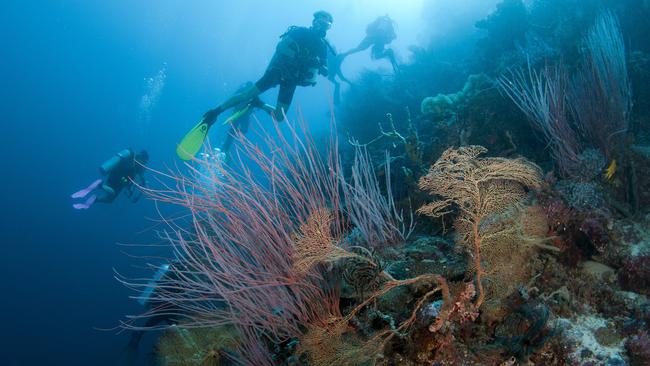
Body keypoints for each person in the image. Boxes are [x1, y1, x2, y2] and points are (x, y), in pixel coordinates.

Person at [176, 10, 334, 160]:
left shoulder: (322, 46)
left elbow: (325, 69)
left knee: (279, 116)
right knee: (247, 94)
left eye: (327, 25)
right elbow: (281, 47)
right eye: (321, 22)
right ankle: (214, 113)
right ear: (314, 21)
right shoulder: (300, 32)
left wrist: (321, 68)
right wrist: (305, 59)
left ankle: (257, 103)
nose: (323, 27)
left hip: (292, 79)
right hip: (278, 70)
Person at [71, 148, 149, 209]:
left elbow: (141, 177)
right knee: (112, 193)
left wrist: (144, 183)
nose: (144, 164)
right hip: (118, 178)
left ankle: (95, 199)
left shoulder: (134, 160)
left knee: (110, 199)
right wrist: (145, 184)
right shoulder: (137, 164)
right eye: (145, 162)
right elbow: (141, 176)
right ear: (143, 159)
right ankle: (99, 185)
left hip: (116, 176)